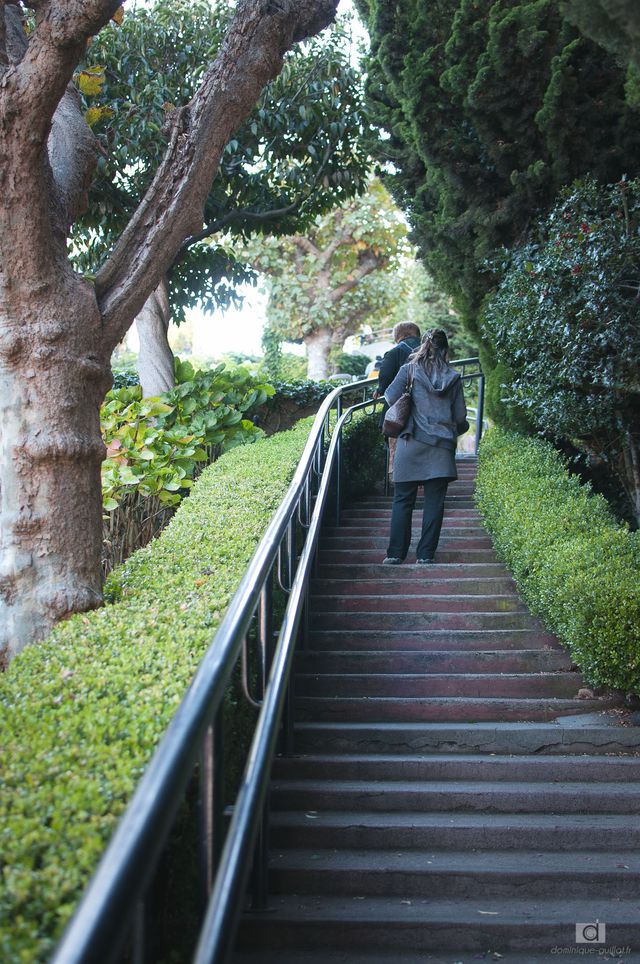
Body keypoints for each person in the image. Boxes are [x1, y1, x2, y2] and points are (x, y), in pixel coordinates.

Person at [382, 328, 469, 565]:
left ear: (422, 346)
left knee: (403, 499)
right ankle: (425, 555)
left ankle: (395, 554)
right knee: (434, 502)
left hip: (411, 443)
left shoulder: (408, 370)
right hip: (441, 448)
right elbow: (460, 415)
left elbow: (390, 398)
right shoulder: (453, 376)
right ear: (446, 350)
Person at [375, 322, 421, 479]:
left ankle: (398, 479)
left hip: (400, 412)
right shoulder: (431, 351)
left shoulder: (395, 352)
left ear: (400, 336)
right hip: (427, 411)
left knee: (397, 452)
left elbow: (386, 378)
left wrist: (379, 390)